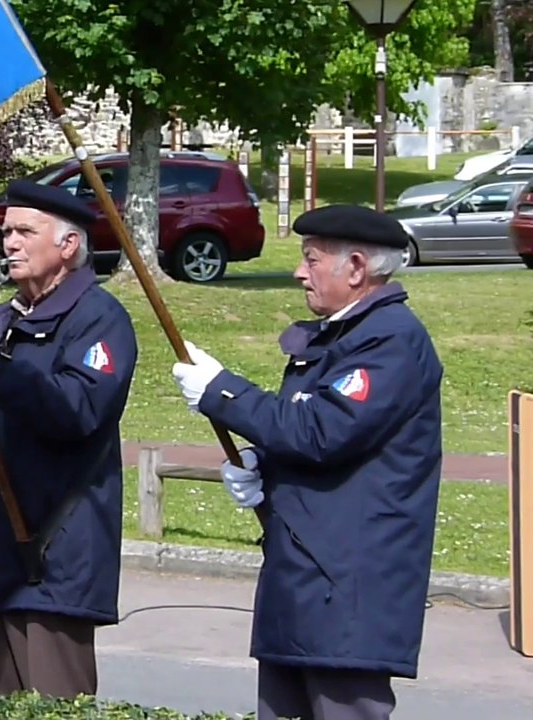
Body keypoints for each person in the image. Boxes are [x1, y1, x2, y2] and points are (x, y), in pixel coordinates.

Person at [171, 204, 444, 720]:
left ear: (357, 268)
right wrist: (263, 464)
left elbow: (323, 432)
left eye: (312, 260)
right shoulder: (342, 335)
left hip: (347, 591)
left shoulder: (391, 340)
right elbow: (315, 438)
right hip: (305, 580)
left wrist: (221, 392)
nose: (300, 272)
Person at [0, 179, 138, 698]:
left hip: (54, 551)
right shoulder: (3, 321)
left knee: (55, 703)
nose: (11, 243)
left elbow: (78, 409)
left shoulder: (98, 317)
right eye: (7, 232)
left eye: (26, 231)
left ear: (68, 245)